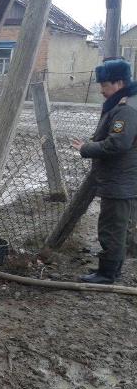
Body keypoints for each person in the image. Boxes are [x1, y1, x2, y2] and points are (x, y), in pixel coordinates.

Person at [71, 58, 137, 284]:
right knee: (119, 225)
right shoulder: (127, 103)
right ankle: (112, 268)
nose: (101, 90)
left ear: (118, 83)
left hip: (121, 179)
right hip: (125, 177)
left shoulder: (126, 109)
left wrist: (86, 148)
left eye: (104, 85)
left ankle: (107, 274)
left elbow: (117, 144)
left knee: (112, 227)